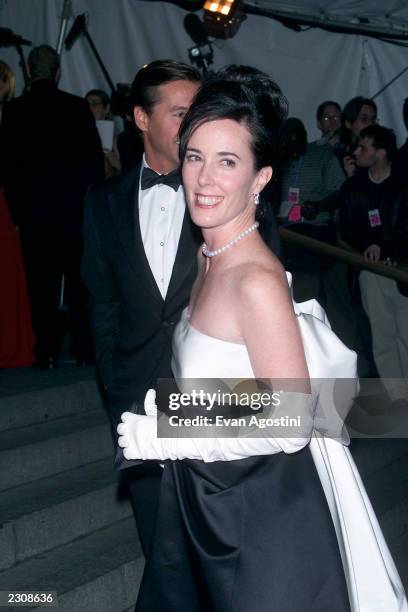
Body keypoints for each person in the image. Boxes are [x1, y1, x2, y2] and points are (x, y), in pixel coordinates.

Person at [117, 80, 407, 611]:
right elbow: (237, 387)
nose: (204, 179)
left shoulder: (255, 280)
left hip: (261, 517)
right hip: (210, 500)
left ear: (261, 177)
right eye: (195, 157)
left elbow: (290, 420)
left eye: (227, 162)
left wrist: (172, 432)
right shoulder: (209, 256)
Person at [82, 61, 283, 557]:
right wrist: (116, 377)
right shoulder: (104, 200)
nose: (194, 124)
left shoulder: (234, 219)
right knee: (163, 556)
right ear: (141, 118)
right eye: (179, 114)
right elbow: (101, 299)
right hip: (137, 399)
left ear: (257, 178)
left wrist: (178, 426)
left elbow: (289, 406)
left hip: (220, 427)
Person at [0, 45, 104, 369]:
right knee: (78, 285)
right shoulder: (76, 108)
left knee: (39, 285)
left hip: (34, 214)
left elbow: (8, 166)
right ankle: (84, 350)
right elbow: (93, 164)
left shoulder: (15, 111)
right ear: (57, 71)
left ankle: (45, 350)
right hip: (72, 212)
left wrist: (17, 212)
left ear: (30, 72)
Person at [340, 124, 408, 402]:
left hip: (402, 270)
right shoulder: (354, 187)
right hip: (371, 272)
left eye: (363, 147)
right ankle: (398, 397)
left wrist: (387, 246)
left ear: (381, 153)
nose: (356, 152)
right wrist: (366, 245)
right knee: (382, 336)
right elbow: (346, 226)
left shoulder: (404, 183)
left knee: (406, 334)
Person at [0, 59, 35, 368]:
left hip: (5, 204)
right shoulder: (14, 113)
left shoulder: (13, 113)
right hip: (6, 202)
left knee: (8, 275)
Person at [85, 88, 122, 177]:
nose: (89, 108)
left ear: (107, 108)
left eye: (94, 104)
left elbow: (127, 172)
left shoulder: (120, 139)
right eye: (87, 105)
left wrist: (113, 160)